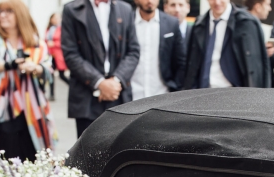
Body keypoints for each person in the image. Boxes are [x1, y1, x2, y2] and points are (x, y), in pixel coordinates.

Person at [0, 0, 55, 161]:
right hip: (4, 109)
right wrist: (9, 65)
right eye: (0, 11)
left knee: (35, 160)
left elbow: (48, 69)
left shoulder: (36, 43)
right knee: (9, 162)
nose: (2, 15)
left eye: (8, 11)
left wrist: (34, 68)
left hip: (33, 109)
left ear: (20, 14)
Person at [61, 0, 139, 138]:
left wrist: (116, 81)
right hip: (87, 97)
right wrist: (99, 83)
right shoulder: (71, 9)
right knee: (87, 153)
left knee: (119, 153)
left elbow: (133, 52)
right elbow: (71, 54)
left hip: (118, 95)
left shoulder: (125, 9)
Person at [183, 0, 271, 90]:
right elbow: (190, 64)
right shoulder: (199, 24)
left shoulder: (247, 23)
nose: (217, 2)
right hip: (203, 92)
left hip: (235, 93)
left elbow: (261, 64)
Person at [131, 0, 185, 100]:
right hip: (132, 95)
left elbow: (180, 61)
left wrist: (176, 90)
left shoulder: (171, 23)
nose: (150, 1)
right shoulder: (127, 20)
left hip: (162, 94)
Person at [45, 12, 68, 101]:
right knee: (51, 74)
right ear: (51, 19)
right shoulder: (48, 29)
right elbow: (45, 40)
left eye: (58, 18)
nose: (57, 20)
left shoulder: (61, 29)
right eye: (55, 18)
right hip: (50, 56)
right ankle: (52, 94)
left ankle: (73, 88)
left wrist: (54, 44)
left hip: (58, 55)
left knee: (62, 75)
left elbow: (64, 42)